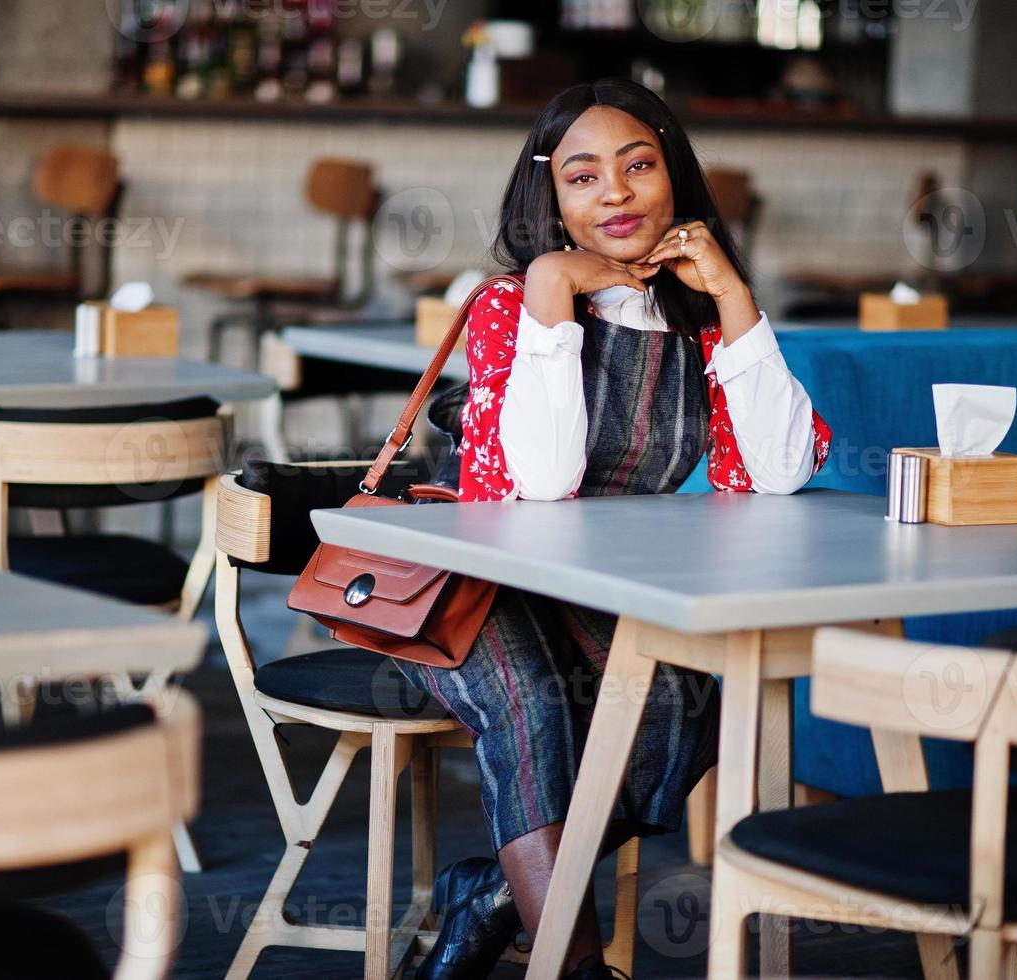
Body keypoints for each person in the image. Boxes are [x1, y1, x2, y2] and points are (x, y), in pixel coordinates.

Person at [398, 78, 832, 979]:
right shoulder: (510, 305)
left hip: (604, 582)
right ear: (549, 198)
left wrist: (731, 293)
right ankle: (578, 965)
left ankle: (490, 896)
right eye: (584, 177)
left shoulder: (696, 314)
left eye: (639, 167)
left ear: (675, 176)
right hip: (475, 576)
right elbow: (543, 486)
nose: (617, 194)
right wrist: (554, 290)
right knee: (534, 705)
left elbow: (783, 470)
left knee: (691, 702)